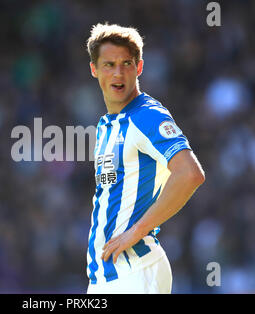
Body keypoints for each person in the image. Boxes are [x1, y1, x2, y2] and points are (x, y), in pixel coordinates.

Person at [85, 23, 205, 294]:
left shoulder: (147, 115)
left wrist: (136, 232)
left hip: (135, 272)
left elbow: (190, 174)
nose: (118, 72)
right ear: (94, 70)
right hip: (108, 277)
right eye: (109, 64)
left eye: (126, 63)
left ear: (139, 68)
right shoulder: (107, 125)